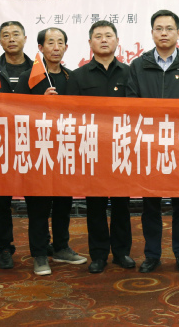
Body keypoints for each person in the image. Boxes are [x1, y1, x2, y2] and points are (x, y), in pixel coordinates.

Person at [126, 9, 179, 273]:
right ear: (152, 33)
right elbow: (131, 104)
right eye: (159, 28)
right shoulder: (139, 65)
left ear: (178, 33)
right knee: (151, 202)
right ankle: (152, 254)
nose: (164, 33)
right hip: (148, 143)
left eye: (169, 29)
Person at [15, 27, 88, 275]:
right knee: (38, 205)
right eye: (51, 43)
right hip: (38, 150)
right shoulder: (29, 78)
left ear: (66, 47)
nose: (56, 47)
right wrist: (40, 103)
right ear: (40, 48)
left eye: (60, 43)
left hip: (65, 149)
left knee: (63, 203)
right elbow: (16, 113)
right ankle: (39, 254)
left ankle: (61, 247)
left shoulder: (72, 77)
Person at [67, 21, 135, 274]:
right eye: (98, 36)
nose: (104, 40)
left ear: (117, 41)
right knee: (95, 205)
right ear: (90, 43)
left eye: (108, 35)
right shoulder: (78, 76)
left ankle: (122, 252)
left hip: (121, 147)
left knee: (121, 204)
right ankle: (98, 254)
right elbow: (71, 115)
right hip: (92, 149)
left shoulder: (130, 73)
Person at [0, 21, 33, 270]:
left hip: (31, 142)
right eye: (6, 35)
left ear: (25, 38)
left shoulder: (37, 68)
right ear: (0, 41)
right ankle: (4, 247)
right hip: (0, 142)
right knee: (1, 199)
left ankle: (40, 245)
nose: (11, 39)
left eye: (16, 34)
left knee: (37, 197)